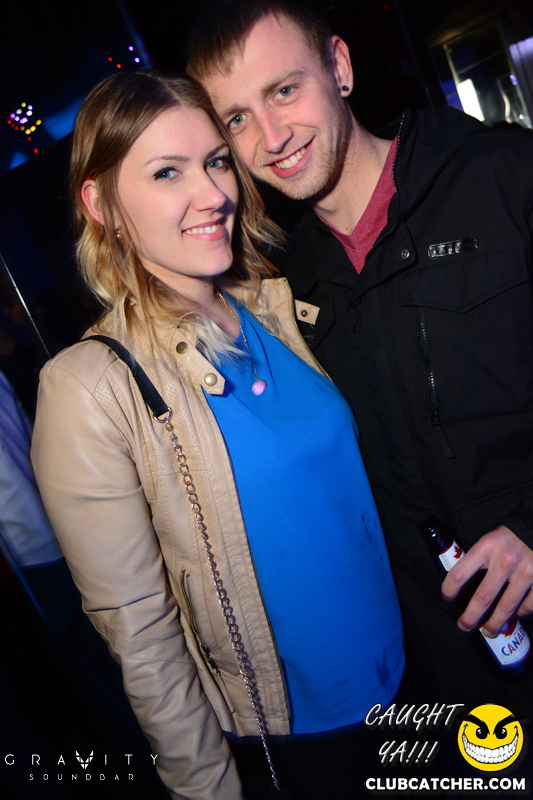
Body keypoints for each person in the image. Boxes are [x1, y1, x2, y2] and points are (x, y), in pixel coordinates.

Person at [31, 69, 404, 800]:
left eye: (215, 162)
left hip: (411, 679)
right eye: (167, 172)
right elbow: (143, 639)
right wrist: (207, 789)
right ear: (101, 204)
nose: (212, 195)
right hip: (303, 743)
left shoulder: (276, 306)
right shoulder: (89, 388)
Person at [186, 0, 533, 714]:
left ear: (338, 68)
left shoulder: (502, 180)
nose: (272, 137)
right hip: (450, 679)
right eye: (237, 119)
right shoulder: (285, 290)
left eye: (285, 90)